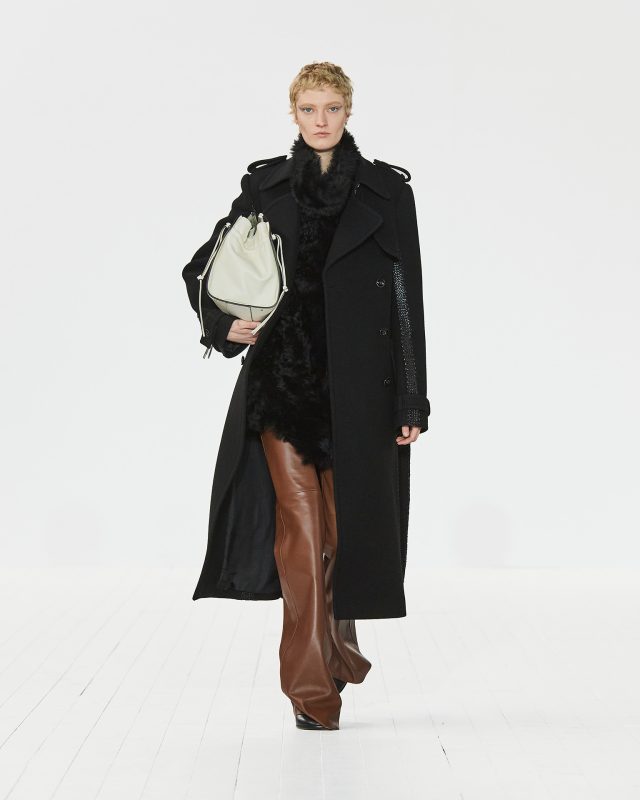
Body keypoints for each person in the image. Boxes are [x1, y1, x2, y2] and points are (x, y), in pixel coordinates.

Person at [181, 61, 431, 731]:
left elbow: (406, 299)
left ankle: (336, 646)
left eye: (332, 108)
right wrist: (221, 324)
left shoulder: (386, 192)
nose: (321, 120)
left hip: (360, 391)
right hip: (282, 384)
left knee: (339, 537)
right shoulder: (265, 187)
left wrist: (412, 399)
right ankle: (312, 690)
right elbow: (205, 268)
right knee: (302, 532)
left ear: (349, 112)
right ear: (293, 114)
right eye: (308, 109)